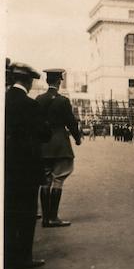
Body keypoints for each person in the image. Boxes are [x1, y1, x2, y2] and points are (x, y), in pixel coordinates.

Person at [5, 62, 51, 269]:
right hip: (25, 165)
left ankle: (6, 254)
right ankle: (23, 257)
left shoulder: (0, 100)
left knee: (8, 210)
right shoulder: (30, 105)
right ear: (28, 80)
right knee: (26, 211)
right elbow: (44, 134)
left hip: (4, 164)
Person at [36, 69, 81, 228]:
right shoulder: (63, 101)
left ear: (47, 81)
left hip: (43, 146)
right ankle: (53, 217)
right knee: (58, 180)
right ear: (58, 82)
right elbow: (71, 122)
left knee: (45, 181)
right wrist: (77, 138)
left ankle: (45, 219)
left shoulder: (39, 99)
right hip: (60, 145)